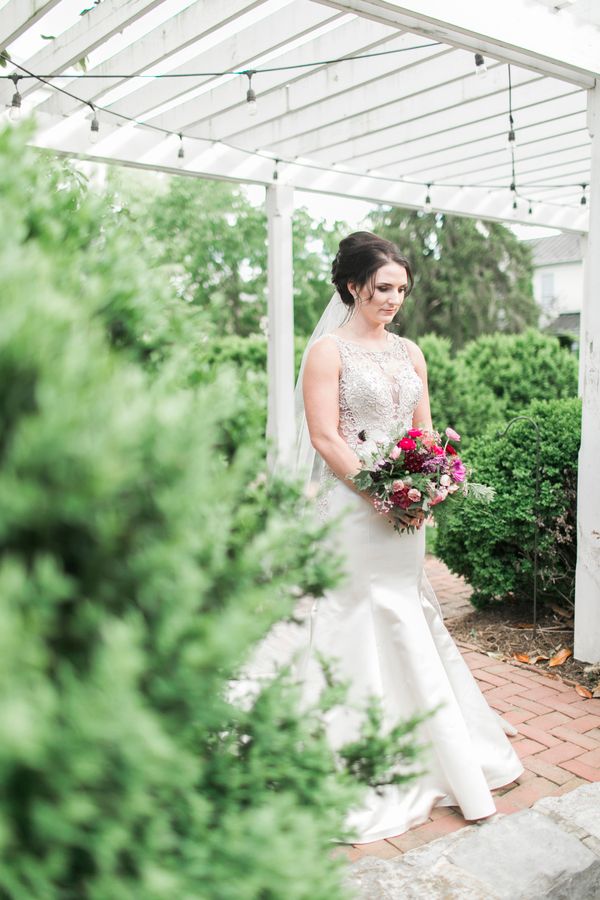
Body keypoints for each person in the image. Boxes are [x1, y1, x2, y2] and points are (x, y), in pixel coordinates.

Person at [294, 231, 524, 844]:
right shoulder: (327, 352)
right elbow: (325, 438)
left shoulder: (411, 352)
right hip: (351, 515)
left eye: (401, 289)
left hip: (406, 522)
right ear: (352, 285)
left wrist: (433, 481)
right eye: (383, 287)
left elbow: (423, 434)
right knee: (352, 621)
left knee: (409, 619)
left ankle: (436, 750)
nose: (393, 299)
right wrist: (379, 494)